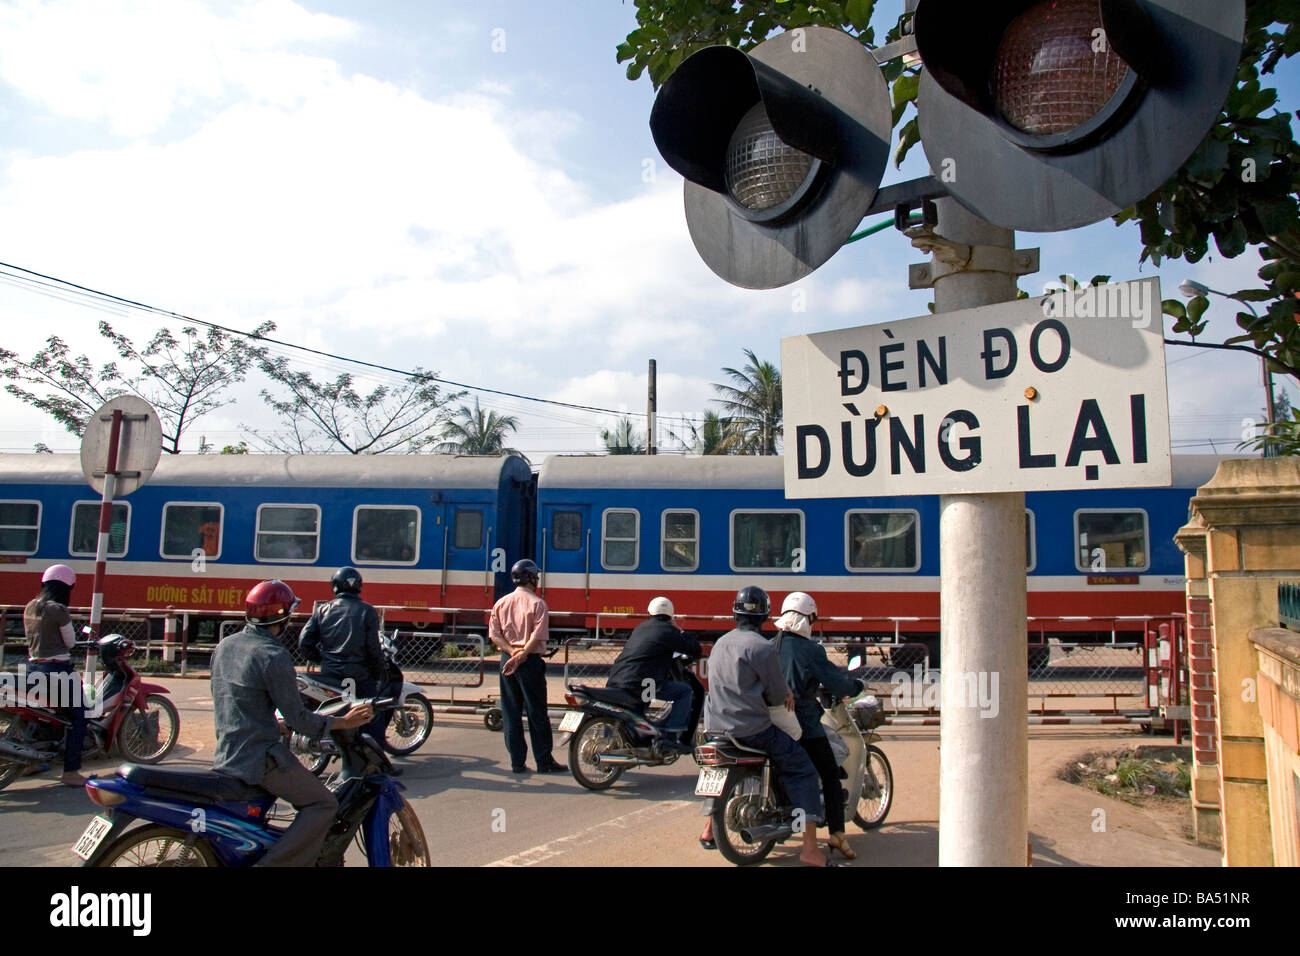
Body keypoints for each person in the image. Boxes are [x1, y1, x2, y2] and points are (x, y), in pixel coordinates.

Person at [211, 579, 372, 866]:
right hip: (259, 759)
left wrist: (275, 725)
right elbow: (301, 720)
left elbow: (238, 701)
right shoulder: (273, 655)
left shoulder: (225, 645)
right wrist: (344, 722)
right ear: (282, 618)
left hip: (225, 753)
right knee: (324, 804)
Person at [699, 586, 832, 867]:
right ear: (765, 616)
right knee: (803, 768)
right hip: (751, 731)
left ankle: (710, 829)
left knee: (719, 771)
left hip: (714, 728)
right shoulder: (762, 647)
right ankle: (810, 849)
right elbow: (775, 696)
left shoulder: (719, 644)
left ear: (734, 613)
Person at [774, 591, 864, 861]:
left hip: (770, 723)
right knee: (830, 774)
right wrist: (856, 686)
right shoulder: (811, 650)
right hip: (803, 724)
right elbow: (836, 683)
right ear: (809, 618)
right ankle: (836, 833)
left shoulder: (770, 645)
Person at [488, 559, 565, 774]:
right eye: (536, 577)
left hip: (507, 660)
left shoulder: (501, 603)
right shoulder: (537, 603)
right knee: (536, 712)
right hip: (529, 661)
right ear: (531, 578)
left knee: (511, 711)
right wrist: (522, 655)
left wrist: (512, 652)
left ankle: (517, 762)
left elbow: (494, 635)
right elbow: (537, 636)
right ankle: (543, 761)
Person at [298, 566, 385, 740]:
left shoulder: (322, 610)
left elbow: (304, 643)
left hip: (331, 675)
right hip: (360, 675)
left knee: (333, 711)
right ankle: (373, 756)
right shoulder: (367, 611)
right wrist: (377, 673)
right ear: (359, 586)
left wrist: (322, 659)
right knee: (372, 714)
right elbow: (373, 648)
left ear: (334, 585)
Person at [606, 596, 701, 751]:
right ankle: (671, 737)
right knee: (685, 692)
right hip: (643, 684)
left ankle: (642, 735)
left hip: (617, 678)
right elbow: (695, 649)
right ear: (671, 616)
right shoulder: (669, 631)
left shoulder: (640, 628)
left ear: (649, 613)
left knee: (645, 697)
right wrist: (678, 629)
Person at [23, 564, 88, 786]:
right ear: (66, 588)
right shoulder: (59, 610)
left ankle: (30, 761)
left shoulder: (30, 607)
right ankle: (71, 771)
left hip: (32, 670)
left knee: (38, 714)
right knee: (79, 717)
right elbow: (70, 642)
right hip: (57, 672)